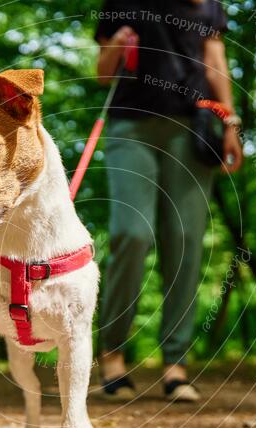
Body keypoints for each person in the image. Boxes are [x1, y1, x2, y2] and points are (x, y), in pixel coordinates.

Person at [94, 0, 242, 402]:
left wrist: (229, 120)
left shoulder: (209, 5)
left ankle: (176, 366)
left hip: (190, 127)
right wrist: (118, 43)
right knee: (132, 234)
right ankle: (113, 355)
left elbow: (214, 57)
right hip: (130, 125)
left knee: (185, 241)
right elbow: (103, 72)